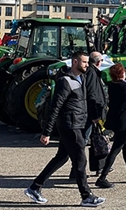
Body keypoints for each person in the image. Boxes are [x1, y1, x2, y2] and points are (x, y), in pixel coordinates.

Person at [24, 51, 105, 207]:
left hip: (77, 123)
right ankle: (86, 196)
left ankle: (35, 187)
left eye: (88, 62)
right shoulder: (65, 81)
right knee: (80, 160)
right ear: (74, 62)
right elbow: (55, 108)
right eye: (84, 62)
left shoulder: (81, 78)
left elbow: (84, 102)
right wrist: (46, 132)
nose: (87, 65)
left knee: (61, 157)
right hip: (69, 125)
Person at [95, 63, 126, 188]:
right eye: (124, 71)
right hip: (125, 122)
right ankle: (102, 177)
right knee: (116, 149)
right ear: (121, 74)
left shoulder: (112, 86)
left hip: (115, 121)